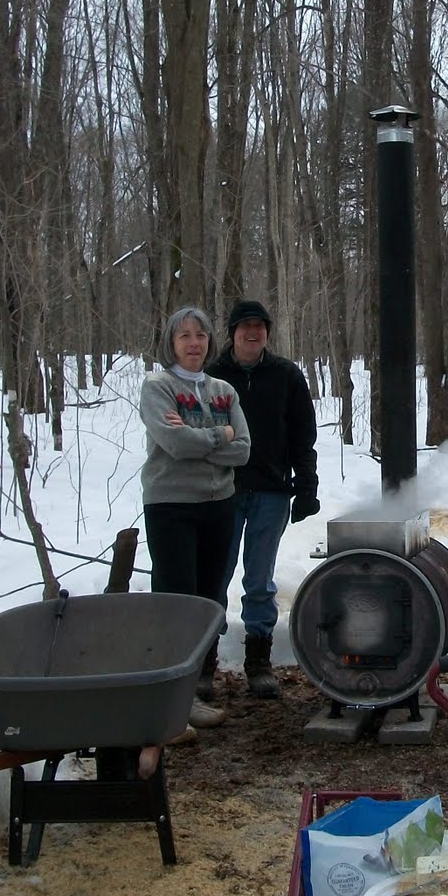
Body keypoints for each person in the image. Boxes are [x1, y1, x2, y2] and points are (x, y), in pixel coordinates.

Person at [141, 305, 252, 728]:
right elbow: (173, 443)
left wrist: (199, 438)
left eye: (200, 335)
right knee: (176, 602)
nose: (193, 343)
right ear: (171, 342)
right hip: (171, 505)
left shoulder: (223, 389)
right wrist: (216, 434)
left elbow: (242, 448)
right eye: (184, 336)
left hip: (219, 504)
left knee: (208, 599)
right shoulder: (158, 387)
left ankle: (193, 691)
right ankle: (167, 696)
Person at [210, 299, 320, 699]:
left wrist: (306, 485)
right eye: (245, 327)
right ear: (232, 332)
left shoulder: (286, 375)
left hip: (272, 492)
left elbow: (302, 437)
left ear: (267, 333)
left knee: (259, 581)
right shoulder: (212, 376)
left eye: (259, 326)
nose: (252, 333)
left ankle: (258, 660)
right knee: (215, 577)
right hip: (222, 492)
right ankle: (205, 661)